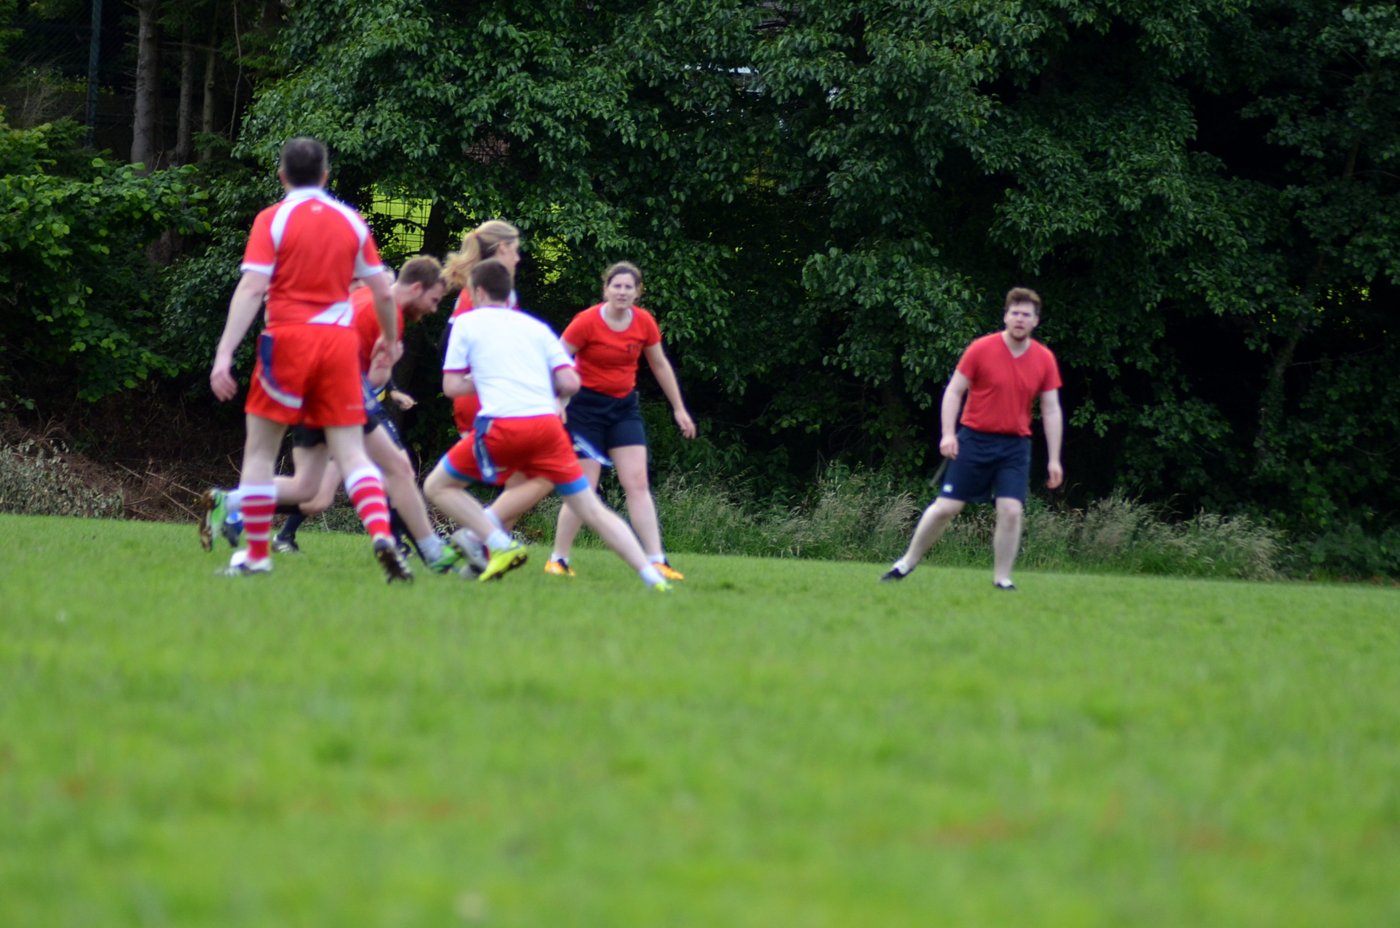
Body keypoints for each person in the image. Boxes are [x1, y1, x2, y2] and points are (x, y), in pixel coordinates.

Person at [204, 135, 412, 581]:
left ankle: (256, 556)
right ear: (325, 175)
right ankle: (382, 536)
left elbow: (252, 287)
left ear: (282, 175)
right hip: (338, 346)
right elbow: (382, 292)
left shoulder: (272, 219)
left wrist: (224, 353)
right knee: (352, 454)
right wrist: (390, 340)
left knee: (261, 453)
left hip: (287, 340)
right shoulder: (351, 220)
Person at [422, 258, 674, 591]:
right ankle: (653, 577)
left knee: (437, 486)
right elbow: (570, 382)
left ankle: (497, 542)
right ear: (509, 293)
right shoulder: (535, 326)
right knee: (592, 509)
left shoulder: (467, 324)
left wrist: (488, 378)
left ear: (478, 292)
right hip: (549, 428)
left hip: (503, 425)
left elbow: (452, 387)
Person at [203, 257, 458, 571]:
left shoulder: (365, 298)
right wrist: (385, 367)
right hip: (337, 392)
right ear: (417, 288)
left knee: (311, 493)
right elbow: (367, 376)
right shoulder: (387, 312)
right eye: (434, 300)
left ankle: (230, 502)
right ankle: (429, 550)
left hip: (316, 390)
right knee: (398, 467)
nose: (433, 309)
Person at [881, 287, 1063, 590]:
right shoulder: (981, 349)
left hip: (1014, 446)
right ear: (1006, 317)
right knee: (946, 508)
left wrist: (1054, 459)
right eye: (1015, 313)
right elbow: (954, 391)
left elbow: (1051, 408)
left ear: (1035, 321)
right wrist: (948, 434)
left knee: (1011, 511)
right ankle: (906, 563)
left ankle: (1002, 579)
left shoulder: (1044, 359)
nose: (1019, 319)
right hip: (974, 440)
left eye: (1026, 315)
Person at [544, 262, 695, 580]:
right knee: (584, 487)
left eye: (629, 287)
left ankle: (657, 560)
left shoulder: (644, 322)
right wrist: (556, 400)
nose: (622, 292)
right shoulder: (586, 322)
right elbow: (557, 360)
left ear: (638, 292)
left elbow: (659, 365)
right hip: (585, 410)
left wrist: (679, 408)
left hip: (624, 409)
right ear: (606, 289)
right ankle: (558, 559)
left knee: (637, 482)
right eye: (617, 286)